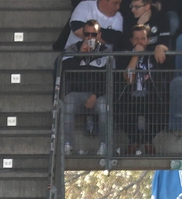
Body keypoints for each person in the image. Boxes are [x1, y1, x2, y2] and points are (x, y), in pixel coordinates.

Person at [114, 25, 169, 155]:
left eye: (143, 38)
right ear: (131, 40)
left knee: (165, 113)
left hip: (151, 95)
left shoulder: (153, 51)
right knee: (119, 112)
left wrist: (160, 47)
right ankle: (134, 140)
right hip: (130, 95)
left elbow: (167, 49)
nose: (139, 42)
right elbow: (128, 78)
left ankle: (147, 139)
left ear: (148, 40)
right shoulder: (125, 54)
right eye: (136, 39)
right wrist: (135, 56)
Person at [60, 22, 111, 156]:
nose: (89, 37)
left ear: (99, 35)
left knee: (103, 106)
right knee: (68, 102)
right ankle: (67, 144)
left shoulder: (106, 51)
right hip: (78, 93)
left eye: (93, 34)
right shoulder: (73, 48)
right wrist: (79, 56)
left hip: (98, 95)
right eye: (86, 34)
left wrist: (95, 95)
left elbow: (110, 78)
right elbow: (65, 70)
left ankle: (104, 145)